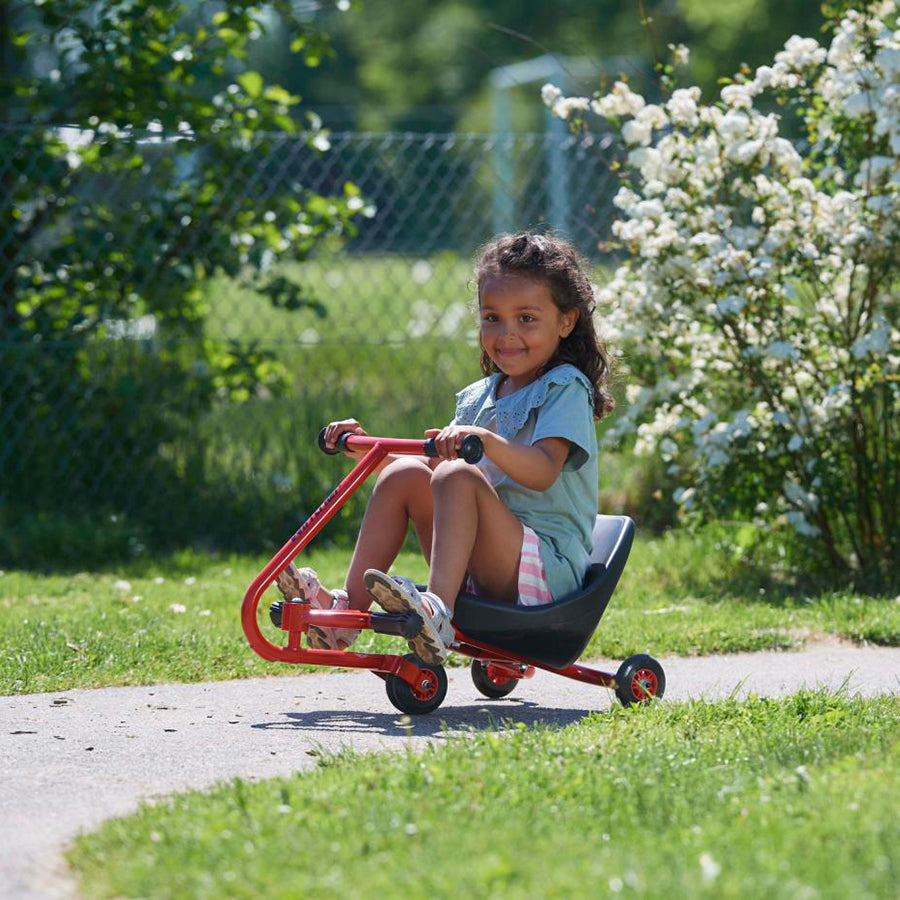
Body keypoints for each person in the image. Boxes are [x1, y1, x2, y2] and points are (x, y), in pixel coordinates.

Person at [276, 231, 615, 665]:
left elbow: (544, 469)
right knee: (405, 475)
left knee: (457, 475)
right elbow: (430, 469)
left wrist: (488, 443)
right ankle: (345, 614)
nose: (507, 334)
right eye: (492, 318)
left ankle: (435, 612)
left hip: (542, 574)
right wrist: (369, 451)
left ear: (565, 322)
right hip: (484, 563)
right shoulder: (480, 396)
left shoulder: (564, 388)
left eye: (526, 318)